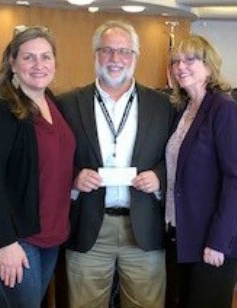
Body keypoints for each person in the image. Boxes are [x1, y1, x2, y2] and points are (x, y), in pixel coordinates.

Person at [57, 20, 175, 308]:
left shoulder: (163, 105)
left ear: (135, 57)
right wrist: (73, 177)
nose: (115, 59)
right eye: (107, 51)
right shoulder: (67, 104)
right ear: (96, 54)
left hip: (143, 227)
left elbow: (174, 158)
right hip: (88, 227)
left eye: (124, 51)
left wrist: (159, 177)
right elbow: (51, 161)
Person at [0, 26, 75, 307]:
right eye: (29, 57)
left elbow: (55, 163)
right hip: (6, 235)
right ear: (12, 62)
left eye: (46, 57)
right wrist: (6, 243)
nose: (39, 65)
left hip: (47, 233)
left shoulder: (54, 103)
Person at [165, 34, 237, 308]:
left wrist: (218, 241)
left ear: (209, 65)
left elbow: (236, 181)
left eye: (190, 59)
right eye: (176, 61)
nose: (181, 66)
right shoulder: (184, 109)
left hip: (215, 240)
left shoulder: (224, 110)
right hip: (184, 232)